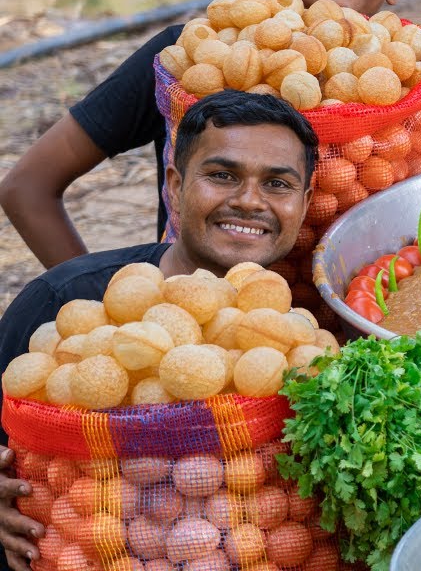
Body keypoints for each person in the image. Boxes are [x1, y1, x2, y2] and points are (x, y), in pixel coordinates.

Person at [0, 0, 421, 270]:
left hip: (358, 334)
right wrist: (94, 294)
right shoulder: (187, 56)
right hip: (201, 325)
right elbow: (28, 185)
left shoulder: (407, 83)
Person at [0, 91, 318, 570]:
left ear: (305, 202)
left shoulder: (303, 334)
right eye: (222, 175)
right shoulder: (61, 302)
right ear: (174, 184)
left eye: (277, 183)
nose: (249, 200)